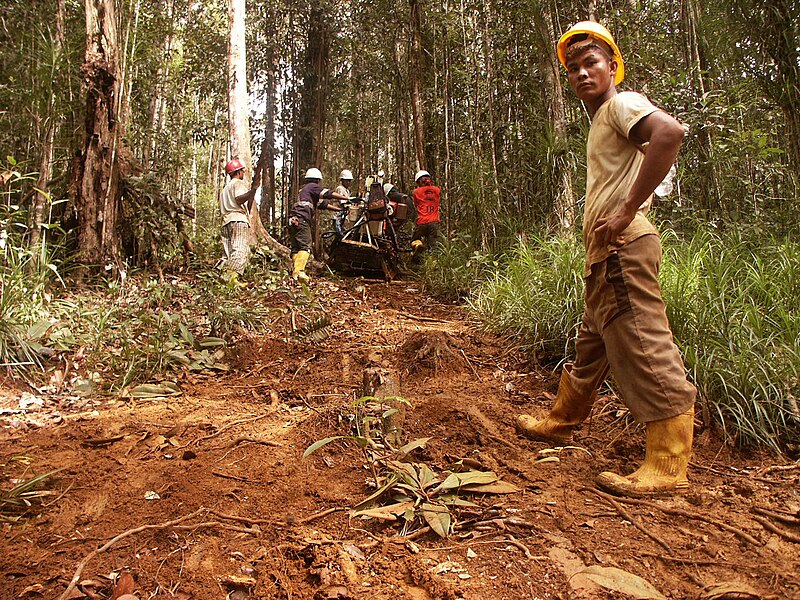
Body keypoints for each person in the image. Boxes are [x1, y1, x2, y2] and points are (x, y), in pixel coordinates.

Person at [516, 21, 696, 498]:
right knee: (591, 341)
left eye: (590, 62)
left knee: (641, 341)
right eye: (572, 68)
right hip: (604, 254)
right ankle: (563, 418)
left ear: (613, 66)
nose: (580, 72)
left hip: (624, 247)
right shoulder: (603, 119)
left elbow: (669, 134)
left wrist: (625, 211)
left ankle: (668, 461)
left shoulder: (621, 104)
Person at [289, 168, 348, 283]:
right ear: (317, 180)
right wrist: (347, 198)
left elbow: (323, 205)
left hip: (293, 219)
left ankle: (295, 273)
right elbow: (328, 194)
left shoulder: (305, 191)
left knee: (296, 248)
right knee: (306, 246)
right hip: (302, 219)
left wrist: (339, 209)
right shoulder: (312, 187)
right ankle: (299, 272)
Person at [219, 159, 259, 287]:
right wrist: (251, 192)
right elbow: (239, 199)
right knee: (240, 249)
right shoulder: (238, 184)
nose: (243, 173)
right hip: (238, 220)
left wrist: (251, 194)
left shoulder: (225, 189)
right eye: (242, 170)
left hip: (226, 221)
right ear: (238, 172)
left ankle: (222, 277)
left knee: (228, 251)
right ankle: (232, 278)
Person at [410, 170, 441, 252]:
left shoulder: (416, 192)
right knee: (434, 244)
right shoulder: (437, 190)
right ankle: (433, 259)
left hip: (421, 222)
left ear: (419, 182)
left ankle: (418, 246)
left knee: (415, 239)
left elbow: (416, 205)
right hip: (434, 222)